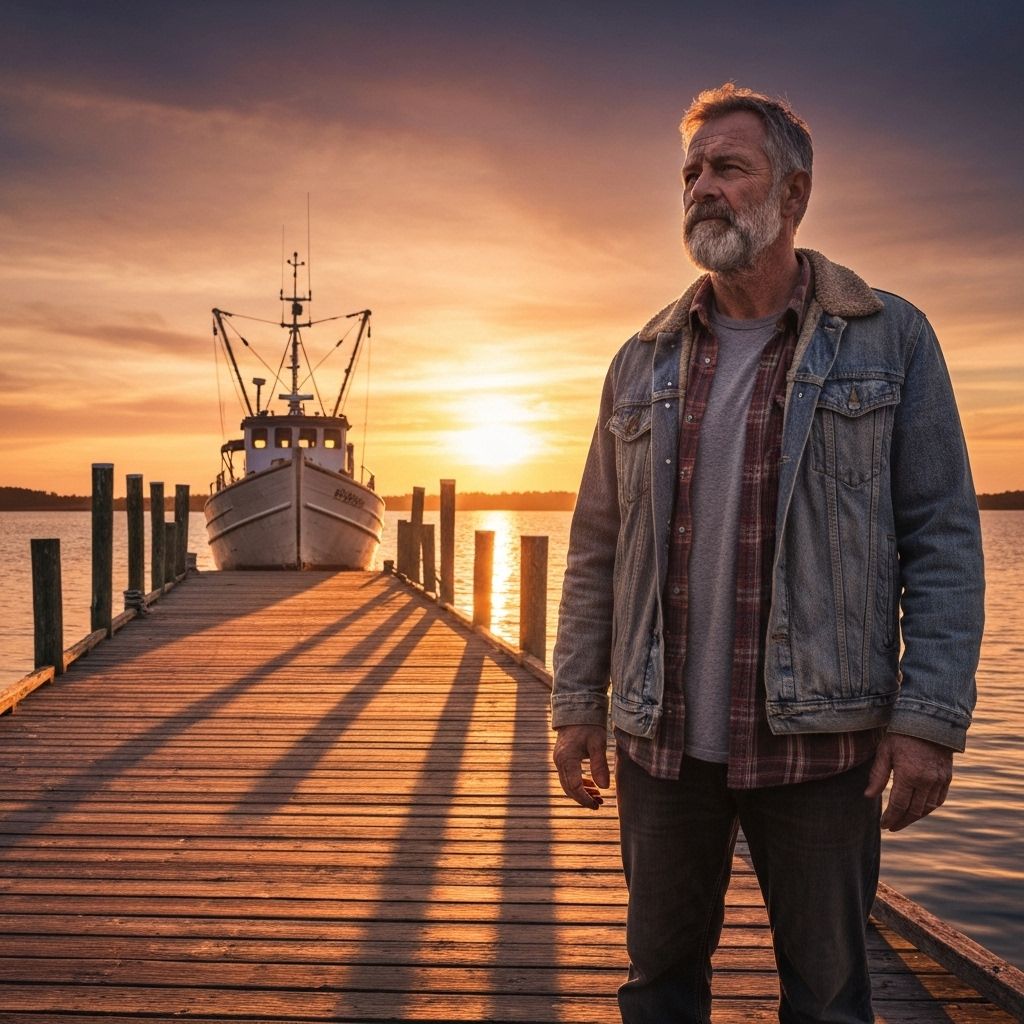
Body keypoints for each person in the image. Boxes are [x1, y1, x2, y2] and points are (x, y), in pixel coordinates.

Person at [550, 83, 985, 1024]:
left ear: (793, 195)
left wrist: (928, 719)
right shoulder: (642, 360)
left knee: (828, 998)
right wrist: (578, 703)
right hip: (662, 746)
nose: (702, 187)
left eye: (728, 168)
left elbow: (944, 537)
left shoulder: (890, 340)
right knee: (657, 985)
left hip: (822, 746)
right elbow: (595, 550)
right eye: (691, 173)